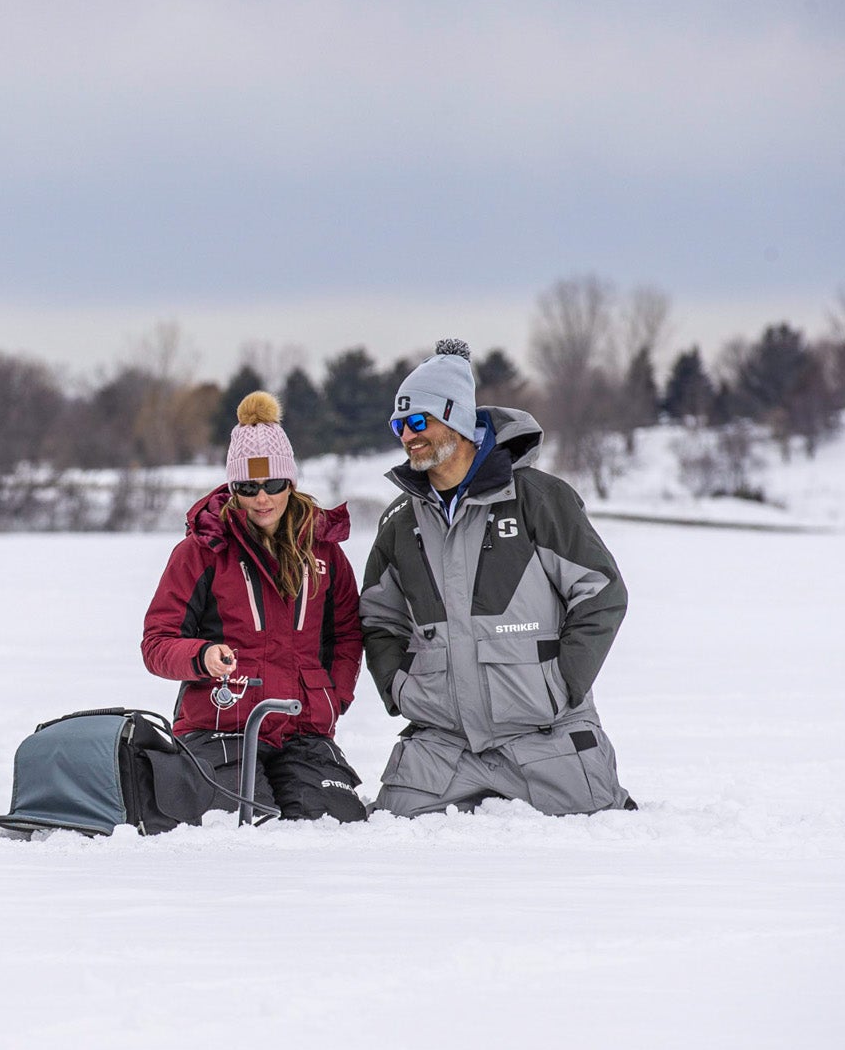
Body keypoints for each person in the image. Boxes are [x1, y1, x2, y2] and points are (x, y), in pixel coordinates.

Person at [360, 339, 635, 817]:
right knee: (386, 833)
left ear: (457, 419)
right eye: (399, 425)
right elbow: (379, 618)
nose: (407, 435)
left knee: (604, 827)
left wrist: (560, 685)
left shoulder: (539, 498)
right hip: (442, 748)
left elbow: (601, 594)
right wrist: (402, 687)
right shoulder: (400, 521)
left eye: (418, 421)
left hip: (544, 740)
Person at [141, 391, 368, 822]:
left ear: (291, 483)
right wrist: (201, 656)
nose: (262, 498)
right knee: (242, 824)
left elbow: (347, 635)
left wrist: (333, 697)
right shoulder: (200, 552)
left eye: (273, 485)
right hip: (220, 725)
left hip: (302, 729)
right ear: (233, 488)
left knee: (334, 823)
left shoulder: (326, 554)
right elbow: (157, 643)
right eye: (248, 487)